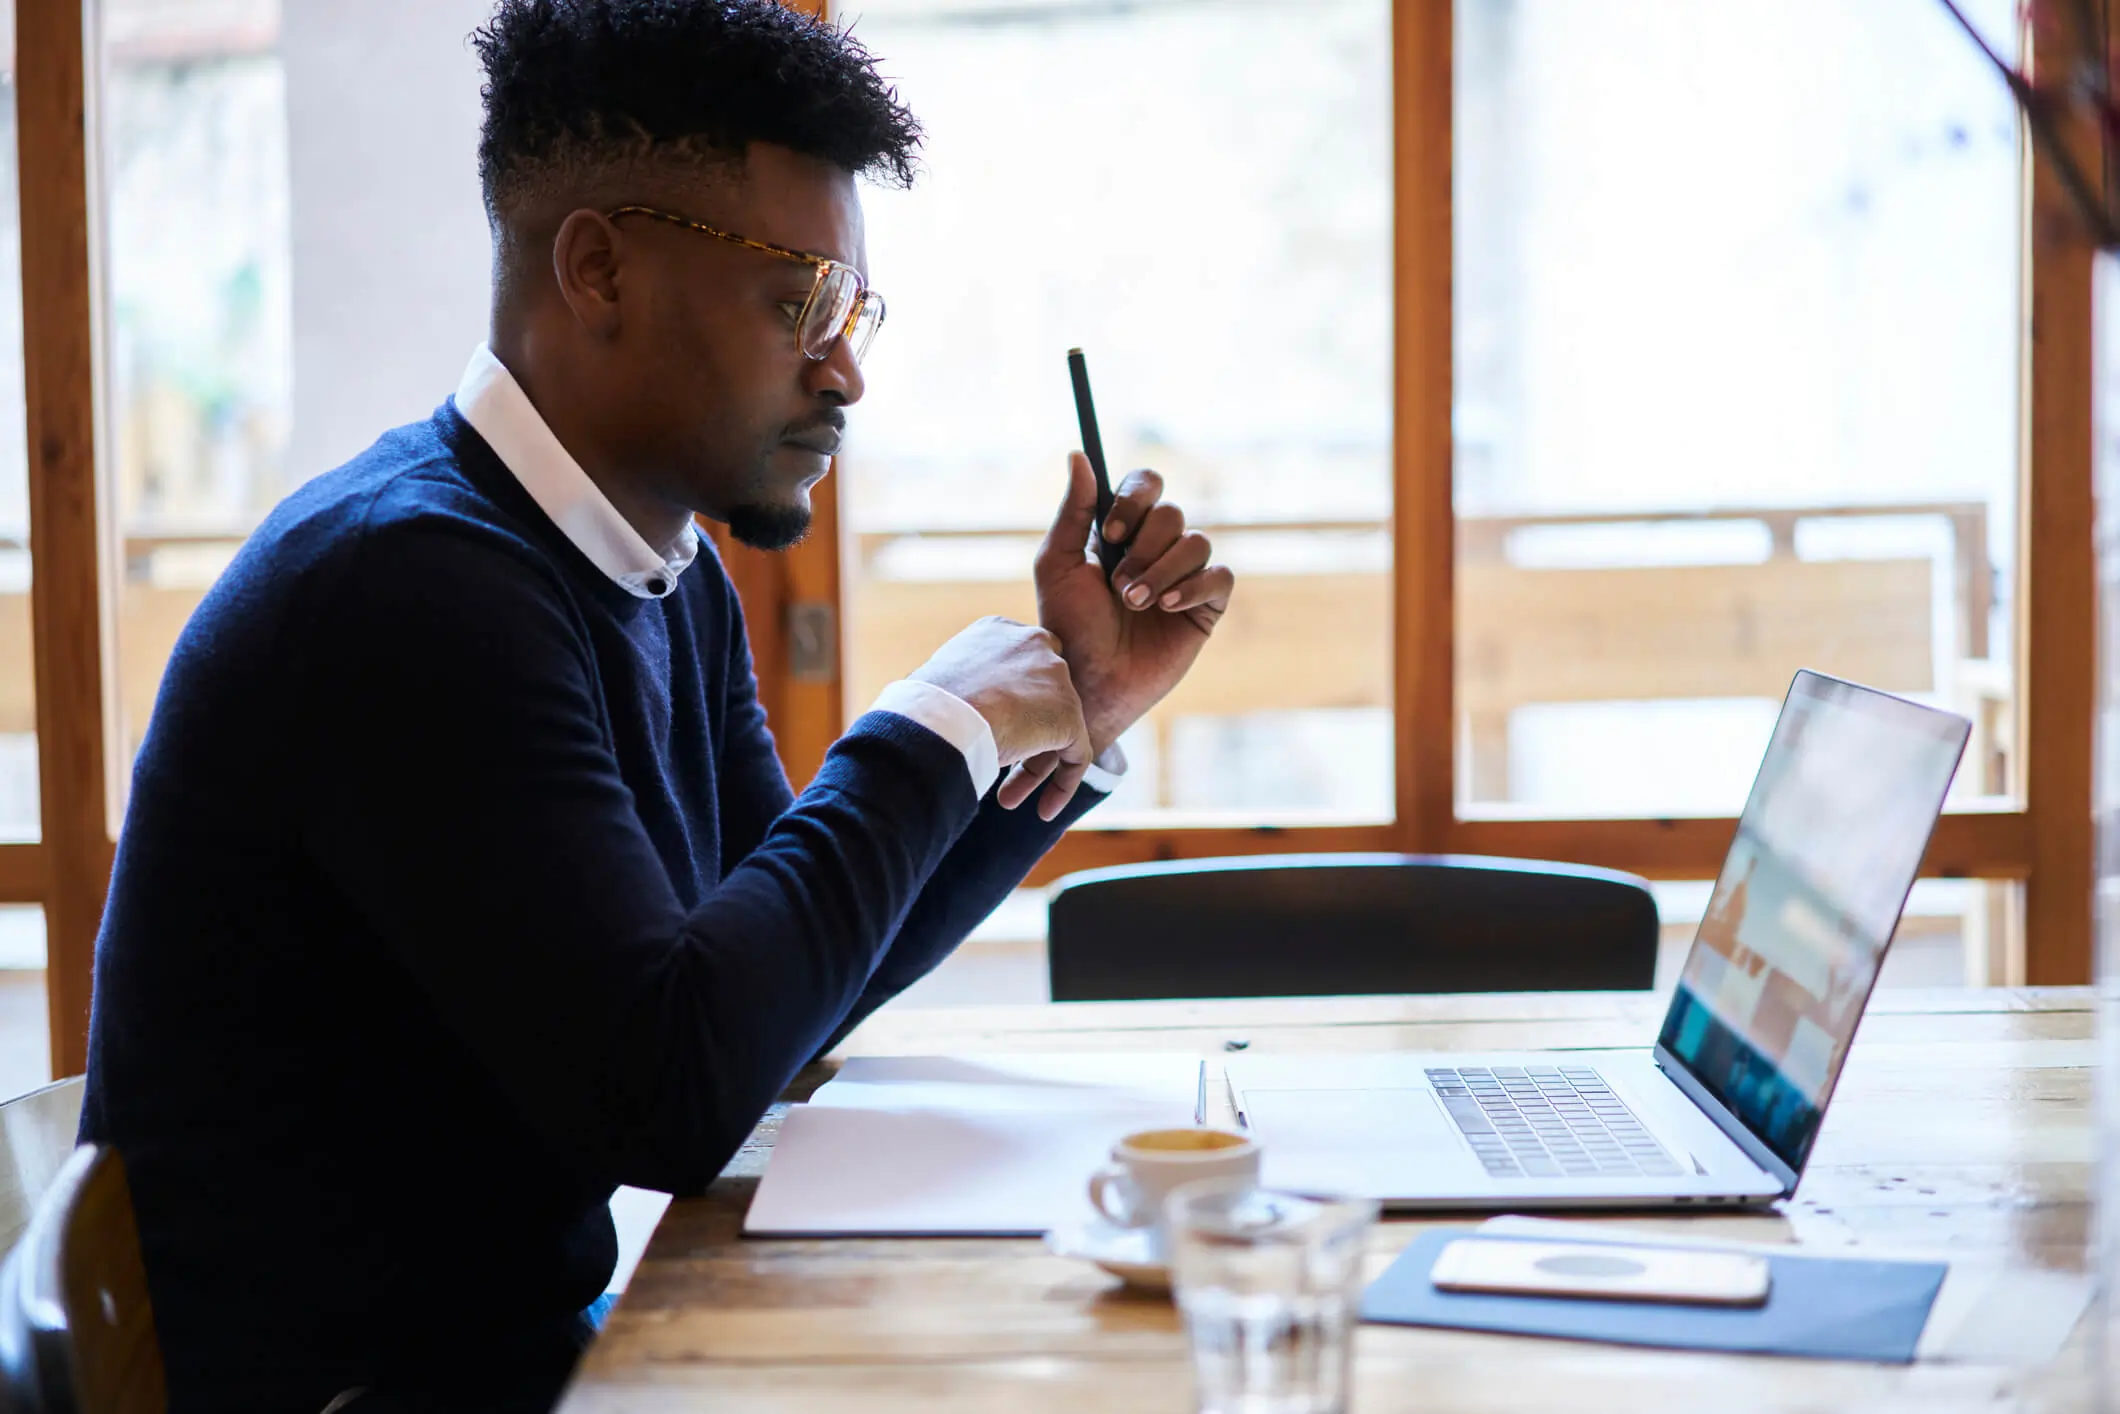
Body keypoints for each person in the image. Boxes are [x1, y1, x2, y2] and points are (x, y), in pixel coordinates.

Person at [75, 2, 1234, 1410]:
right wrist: (946, 716)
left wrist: (1074, 709)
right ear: (600, 269)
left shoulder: (652, 570)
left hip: (508, 1357)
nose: (846, 366)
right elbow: (674, 1092)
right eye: (799, 296)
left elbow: (785, 1003)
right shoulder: (413, 591)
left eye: (851, 307)